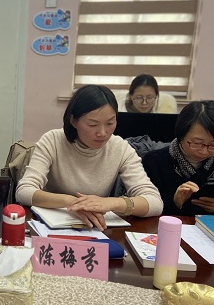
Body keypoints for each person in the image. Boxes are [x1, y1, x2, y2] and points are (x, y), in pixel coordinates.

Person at [15, 85, 163, 230]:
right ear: (73, 121)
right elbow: (24, 190)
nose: (102, 133)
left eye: (110, 123)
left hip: (95, 229)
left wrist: (111, 203)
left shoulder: (120, 148)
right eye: (93, 125)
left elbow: (155, 202)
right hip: (50, 227)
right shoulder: (53, 141)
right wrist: (72, 202)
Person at [141, 100, 214, 217]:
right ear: (181, 134)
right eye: (197, 143)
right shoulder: (154, 162)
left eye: (213, 145)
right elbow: (139, 207)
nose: (204, 151)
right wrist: (174, 201)